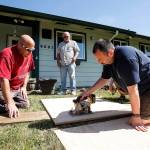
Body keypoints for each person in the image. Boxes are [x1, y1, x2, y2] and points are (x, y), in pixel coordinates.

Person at [81, 39, 150, 132]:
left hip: (147, 88)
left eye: (100, 59)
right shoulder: (108, 62)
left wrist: (136, 116)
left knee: (142, 120)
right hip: (140, 87)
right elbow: (103, 79)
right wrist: (88, 92)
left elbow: (133, 90)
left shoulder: (126, 58)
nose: (99, 62)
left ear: (110, 53)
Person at [0, 34, 35, 118]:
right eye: (28, 50)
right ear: (20, 45)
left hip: (17, 89)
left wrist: (24, 87)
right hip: (3, 88)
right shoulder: (6, 54)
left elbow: (27, 71)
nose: (30, 52)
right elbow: (3, 79)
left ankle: (6, 101)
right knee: (6, 102)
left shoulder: (29, 54)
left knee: (25, 104)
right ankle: (8, 101)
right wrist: (10, 103)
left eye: (32, 50)